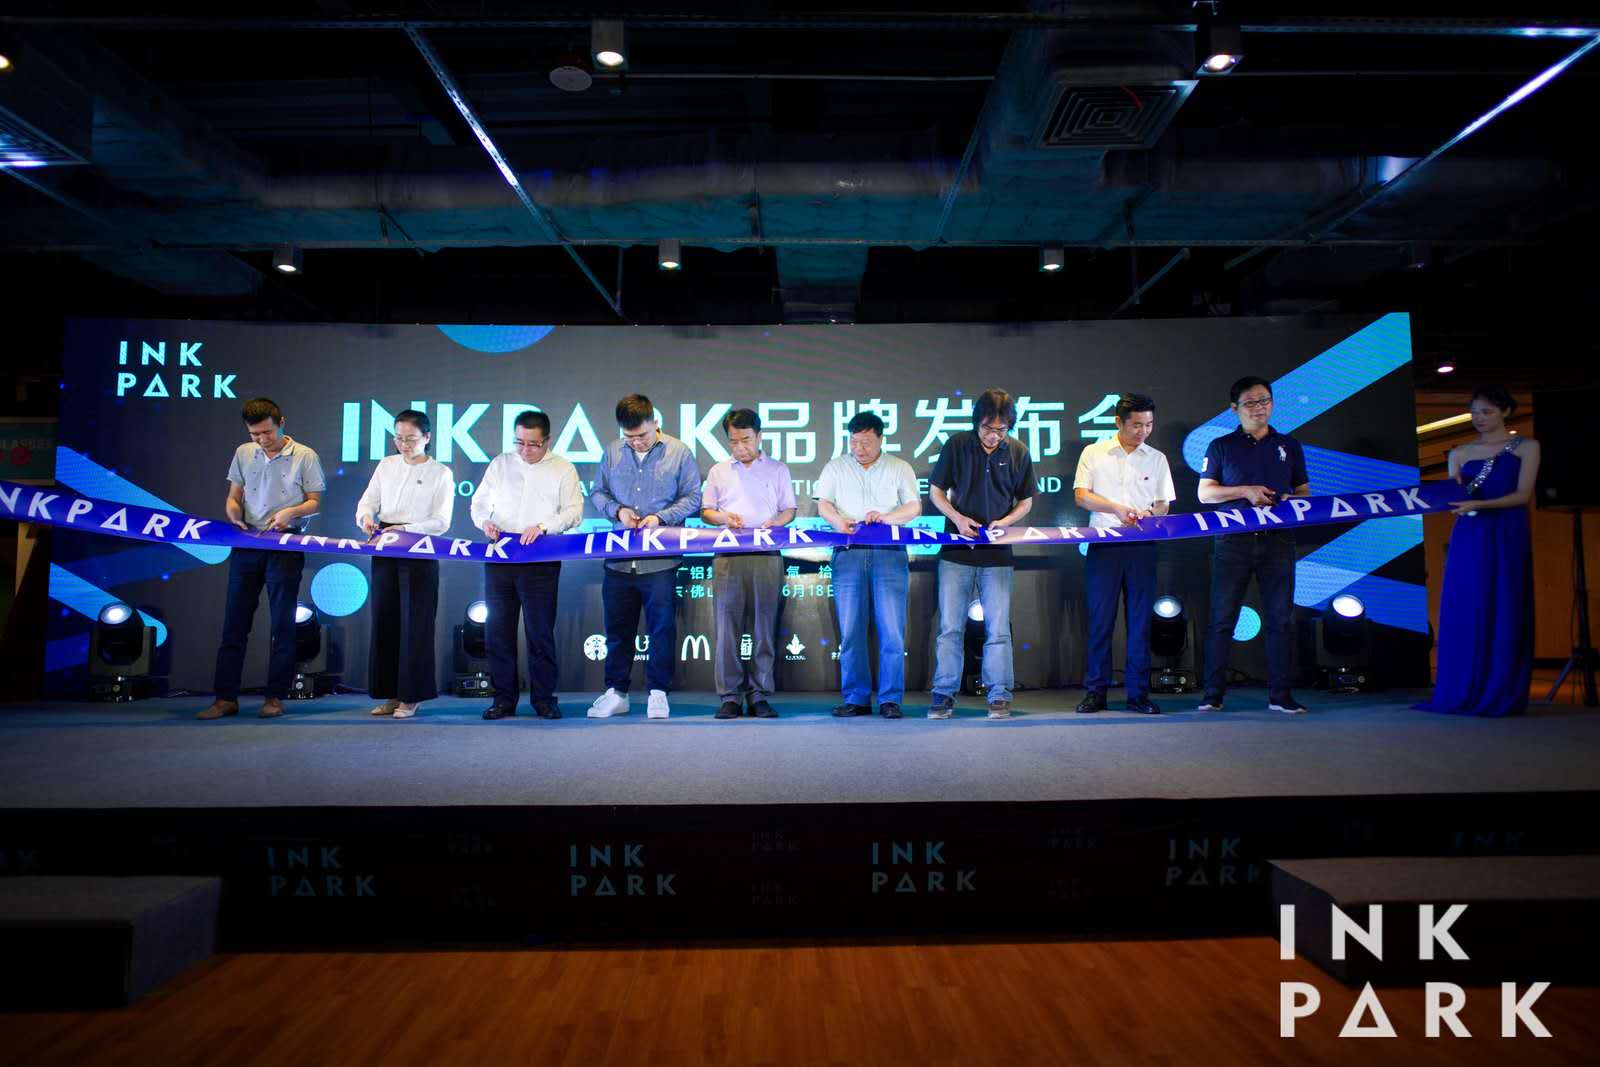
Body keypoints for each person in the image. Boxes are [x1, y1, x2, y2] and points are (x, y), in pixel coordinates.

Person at [197, 397, 326, 720]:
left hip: (285, 543)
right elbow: (233, 496)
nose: (262, 439)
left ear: (281, 423)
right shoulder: (244, 452)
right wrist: (233, 513)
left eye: (267, 432)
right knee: (234, 623)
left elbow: (314, 502)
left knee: (282, 623)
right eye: (255, 434)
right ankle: (225, 698)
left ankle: (275, 697)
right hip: (246, 542)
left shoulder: (305, 455)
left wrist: (289, 513)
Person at [1416, 386, 1539, 717]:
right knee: (1467, 601)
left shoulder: (1526, 447)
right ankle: (1462, 687)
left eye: (1487, 412)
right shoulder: (1460, 453)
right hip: (1469, 533)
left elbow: (1523, 495)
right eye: (1474, 412)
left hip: (1507, 529)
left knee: (1505, 601)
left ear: (1505, 412)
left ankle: (1501, 688)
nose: (1479, 418)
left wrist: (1480, 505)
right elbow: (1452, 496)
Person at [1196, 376, 1311, 714]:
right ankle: (1212, 694)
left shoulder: (1289, 445)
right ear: (1235, 408)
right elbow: (1205, 494)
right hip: (1233, 541)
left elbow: (1305, 494)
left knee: (1280, 618)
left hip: (1279, 540)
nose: (1259, 408)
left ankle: (1280, 695)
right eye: (1251, 403)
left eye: (1265, 401)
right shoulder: (1221, 446)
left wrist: (1290, 500)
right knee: (1222, 619)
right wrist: (1244, 491)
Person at [587, 394, 703, 721]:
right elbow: (597, 492)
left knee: (661, 629)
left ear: (655, 423)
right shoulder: (612, 452)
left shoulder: (679, 452)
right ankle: (617, 693)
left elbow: (694, 497)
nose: (637, 442)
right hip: (619, 559)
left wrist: (661, 518)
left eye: (642, 435)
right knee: (617, 630)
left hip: (661, 560)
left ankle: (658, 693)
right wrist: (618, 511)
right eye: (630, 437)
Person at [927, 388, 1036, 720]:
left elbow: (1026, 500)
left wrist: (1005, 522)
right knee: (950, 627)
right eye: (988, 428)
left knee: (998, 628)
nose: (993, 435)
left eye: (1001, 430)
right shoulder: (957, 445)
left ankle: (999, 694)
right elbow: (936, 491)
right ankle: (943, 693)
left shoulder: (1018, 451)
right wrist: (958, 519)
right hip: (956, 551)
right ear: (977, 423)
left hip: (997, 554)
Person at [470, 410, 582, 721]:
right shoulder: (501, 463)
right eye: (519, 442)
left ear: (547, 440)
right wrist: (485, 521)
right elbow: (479, 502)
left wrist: (545, 526)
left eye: (533, 444)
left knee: (540, 632)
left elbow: (574, 511)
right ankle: (503, 699)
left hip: (540, 557)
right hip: (501, 554)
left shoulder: (563, 468)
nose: (525, 450)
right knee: (498, 632)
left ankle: (544, 699)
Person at [1073, 393, 1176, 715]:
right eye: (1136, 425)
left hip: (1142, 547)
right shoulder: (1095, 452)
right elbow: (1081, 497)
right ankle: (1095, 692)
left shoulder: (1156, 458)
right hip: (1104, 545)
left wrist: (1151, 514)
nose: (1143, 431)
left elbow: (1164, 503)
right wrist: (1115, 508)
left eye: (1149, 425)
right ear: (1119, 422)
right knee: (1100, 622)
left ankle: (1138, 695)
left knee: (1140, 622)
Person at [815, 412, 923, 719]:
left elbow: (914, 506)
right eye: (854, 442)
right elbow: (824, 503)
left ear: (880, 439)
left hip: (888, 551)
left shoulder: (899, 467)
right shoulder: (836, 467)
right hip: (848, 551)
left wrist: (887, 518)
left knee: (892, 630)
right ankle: (856, 698)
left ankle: (890, 699)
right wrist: (838, 521)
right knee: (851, 629)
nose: (859, 448)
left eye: (866, 442)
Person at [356, 410, 455, 720]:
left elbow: (441, 521)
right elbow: (368, 501)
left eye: (410, 439)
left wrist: (407, 529)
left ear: (427, 437)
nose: (403, 444)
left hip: (420, 547)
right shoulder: (386, 465)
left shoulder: (441, 473)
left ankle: (412, 696)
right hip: (385, 544)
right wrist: (366, 518)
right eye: (398, 438)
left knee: (416, 623)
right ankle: (391, 693)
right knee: (385, 620)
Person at [701, 409, 796, 720]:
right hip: (728, 555)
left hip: (766, 554)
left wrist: (777, 522)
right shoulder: (719, 471)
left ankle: (759, 694)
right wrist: (723, 517)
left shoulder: (778, 469)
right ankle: (730, 696)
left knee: (764, 626)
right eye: (733, 441)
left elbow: (789, 509)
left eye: (746, 440)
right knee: (726, 626)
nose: (740, 447)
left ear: (759, 436)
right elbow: (706, 511)